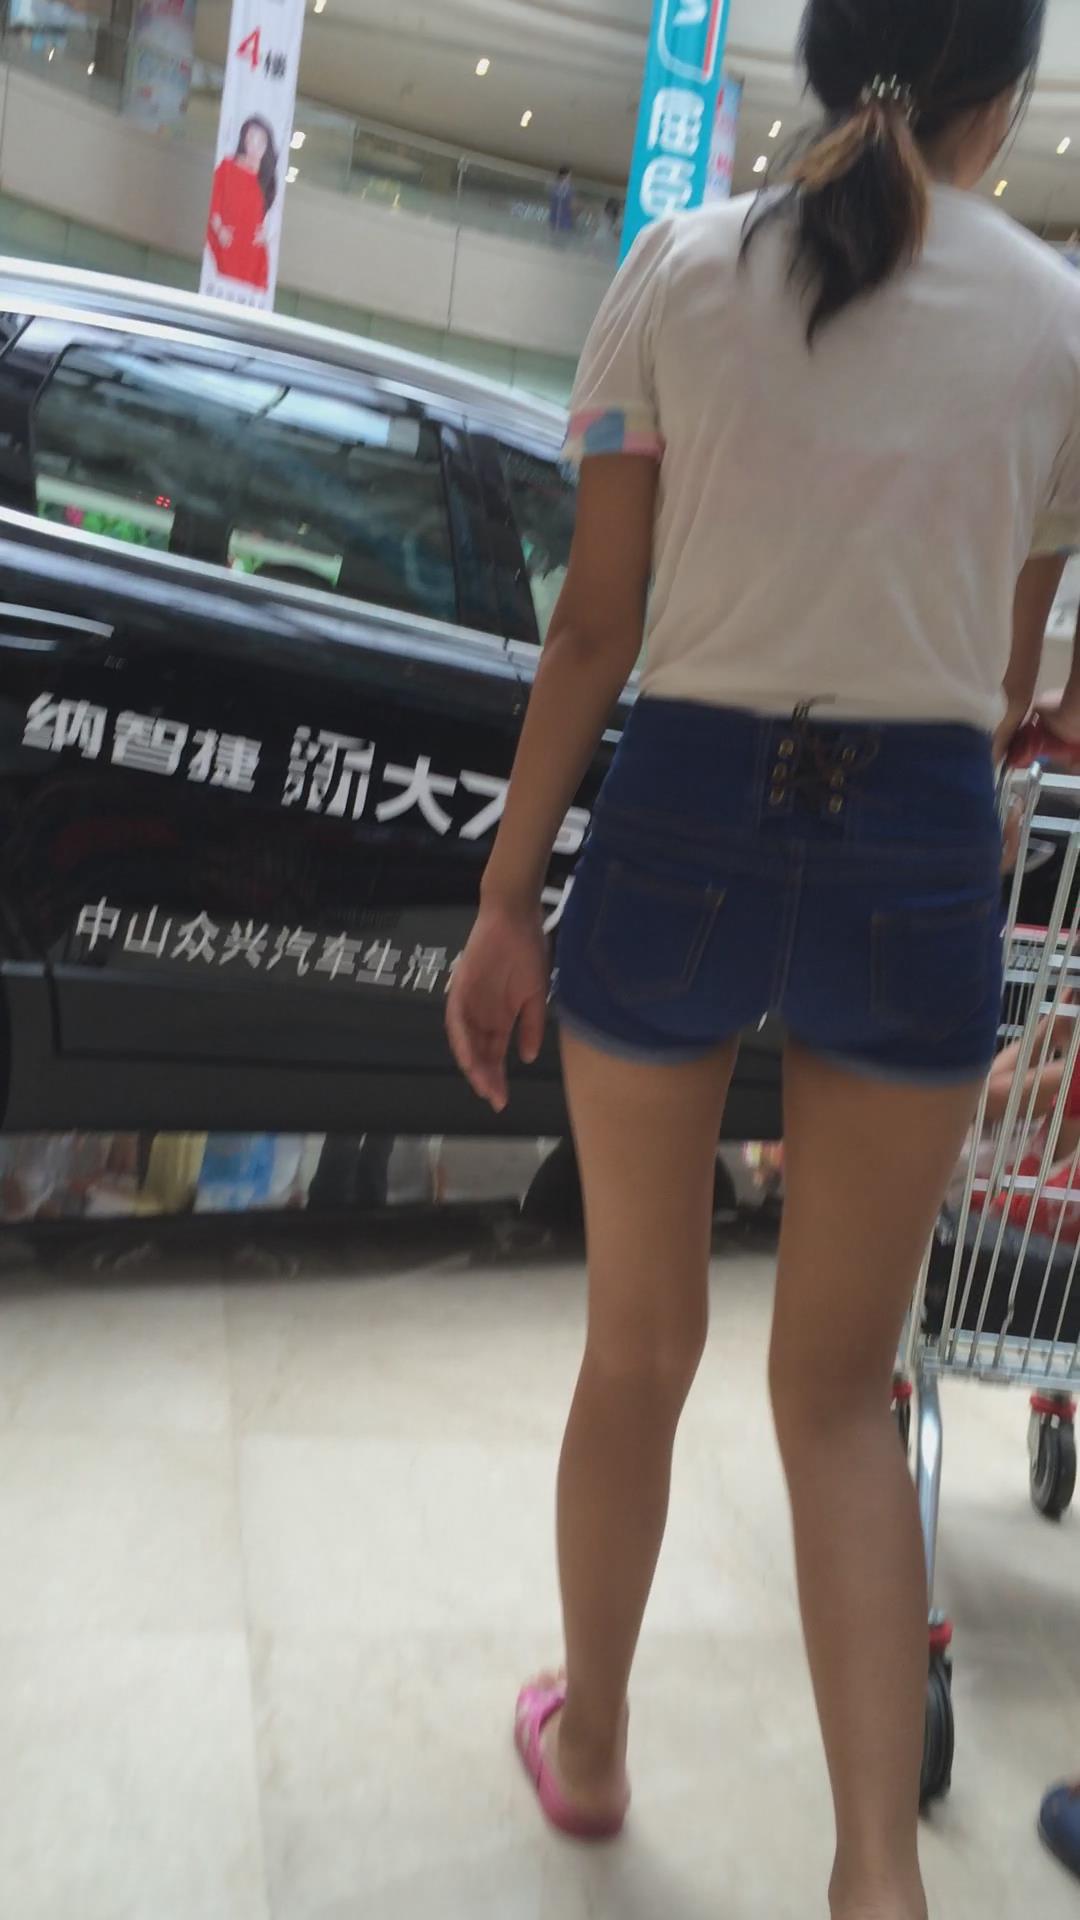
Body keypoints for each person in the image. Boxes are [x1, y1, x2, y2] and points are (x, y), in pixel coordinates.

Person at [447, 0, 1080, 1910]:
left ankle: (595, 1745)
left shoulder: (680, 265)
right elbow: (1003, 681)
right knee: (838, 1395)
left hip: (686, 812)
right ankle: (877, 1873)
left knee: (638, 1345)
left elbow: (595, 630)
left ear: (820, 61)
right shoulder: (1057, 323)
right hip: (915, 840)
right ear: (1003, 97)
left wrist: (504, 902)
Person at [207, 115, 279, 292]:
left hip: (253, 258)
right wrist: (219, 229)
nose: (254, 145)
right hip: (227, 246)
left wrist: (267, 235)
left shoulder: (267, 179)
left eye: (260, 141)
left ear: (267, 146)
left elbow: (272, 217)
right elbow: (213, 204)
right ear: (244, 139)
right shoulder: (227, 167)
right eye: (251, 138)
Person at [549, 165, 575, 236]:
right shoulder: (564, 188)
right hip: (561, 217)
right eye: (569, 176)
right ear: (564, 176)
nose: (570, 178)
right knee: (559, 231)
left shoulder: (557, 186)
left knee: (558, 231)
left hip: (562, 216)